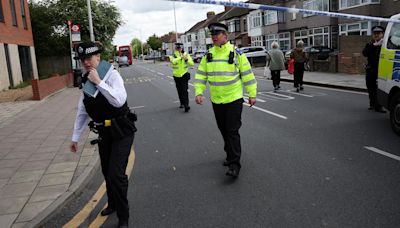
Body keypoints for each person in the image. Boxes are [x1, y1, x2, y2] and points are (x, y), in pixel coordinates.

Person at [70, 42, 136, 228]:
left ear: (98, 57)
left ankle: (124, 216)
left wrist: (99, 82)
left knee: (116, 175)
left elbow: (119, 101)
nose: (86, 63)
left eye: (89, 58)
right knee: (107, 172)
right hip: (104, 132)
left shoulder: (112, 75)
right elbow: (83, 110)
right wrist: (75, 137)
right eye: (83, 60)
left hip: (122, 131)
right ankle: (113, 204)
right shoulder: (84, 80)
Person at [194, 22, 257, 178]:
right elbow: (201, 76)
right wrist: (199, 92)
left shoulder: (236, 54)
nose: (214, 37)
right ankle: (229, 155)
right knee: (223, 130)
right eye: (212, 34)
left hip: (234, 99)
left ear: (225, 35)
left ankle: (234, 164)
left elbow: (248, 75)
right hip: (217, 100)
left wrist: (252, 94)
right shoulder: (208, 55)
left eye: (217, 34)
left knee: (232, 130)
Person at [362, 25, 386, 113]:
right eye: (375, 33)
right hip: (370, 70)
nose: (376, 35)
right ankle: (372, 104)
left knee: (378, 89)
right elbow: (365, 53)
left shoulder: (385, 45)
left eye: (378, 33)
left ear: (383, 34)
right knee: (370, 88)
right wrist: (373, 45)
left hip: (380, 71)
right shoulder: (370, 44)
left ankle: (379, 106)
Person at [169, 43, 194, 112]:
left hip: (184, 75)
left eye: (180, 48)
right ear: (175, 48)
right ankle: (182, 103)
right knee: (179, 90)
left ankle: (186, 105)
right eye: (177, 48)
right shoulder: (173, 55)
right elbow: (173, 62)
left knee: (184, 90)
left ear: (182, 48)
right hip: (176, 76)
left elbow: (192, 64)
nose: (179, 49)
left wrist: (186, 60)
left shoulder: (186, 54)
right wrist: (180, 57)